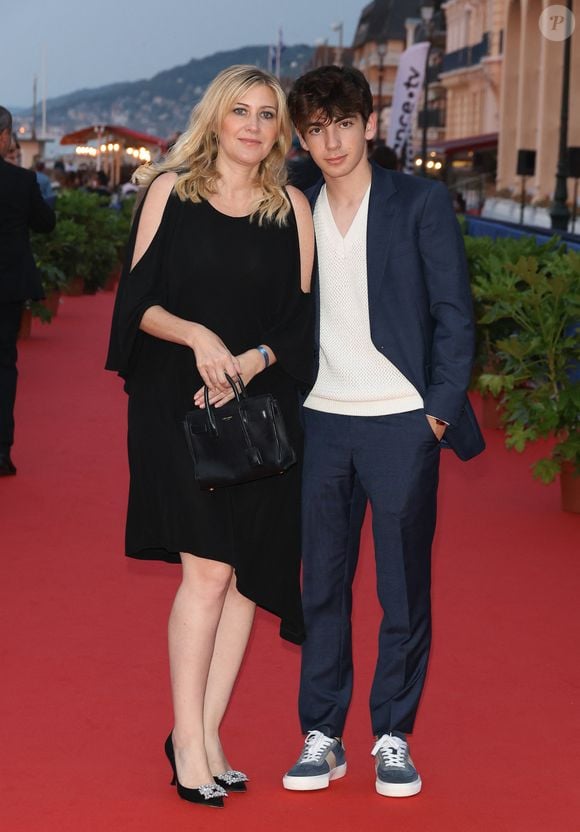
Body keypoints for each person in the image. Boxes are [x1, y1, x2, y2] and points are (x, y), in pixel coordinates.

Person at [106, 66, 314, 809]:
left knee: (242, 582)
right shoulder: (170, 190)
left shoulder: (292, 206)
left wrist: (251, 362)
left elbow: (300, 321)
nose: (253, 125)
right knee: (207, 573)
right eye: (240, 112)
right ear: (215, 119)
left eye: (267, 114)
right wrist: (200, 338)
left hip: (259, 411)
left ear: (278, 128)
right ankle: (186, 741)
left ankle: (207, 733)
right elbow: (137, 304)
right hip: (175, 405)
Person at [283, 66, 484, 798]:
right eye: (314, 129)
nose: (329, 141)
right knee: (322, 587)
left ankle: (392, 734)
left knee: (402, 590)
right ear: (302, 138)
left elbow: (454, 315)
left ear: (369, 123)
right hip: (322, 422)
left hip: (402, 423)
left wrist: (435, 410)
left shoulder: (420, 202)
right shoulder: (296, 207)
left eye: (341, 124)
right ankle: (323, 734)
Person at [0, 106, 56, 476]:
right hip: (8, 286)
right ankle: (2, 452)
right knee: (4, 366)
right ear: (4, 136)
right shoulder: (22, 181)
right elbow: (46, 223)